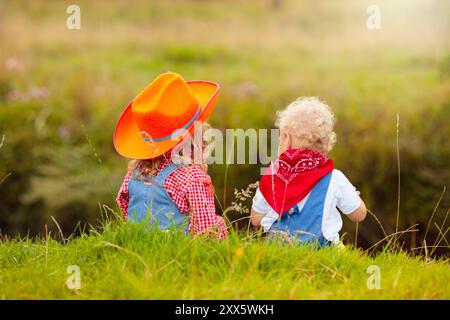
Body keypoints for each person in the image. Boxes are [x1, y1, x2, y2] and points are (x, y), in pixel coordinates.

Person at [114, 72, 227, 239]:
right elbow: (207, 232)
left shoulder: (135, 172)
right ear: (198, 137)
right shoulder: (192, 177)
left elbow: (124, 207)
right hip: (178, 257)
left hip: (137, 249)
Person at [250, 97, 366, 245]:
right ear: (328, 145)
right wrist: (352, 197)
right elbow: (359, 215)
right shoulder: (334, 179)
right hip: (324, 257)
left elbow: (255, 220)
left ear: (285, 138)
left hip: (279, 254)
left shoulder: (272, 176)